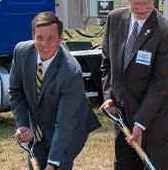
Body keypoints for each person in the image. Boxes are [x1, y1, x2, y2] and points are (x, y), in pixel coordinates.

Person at [100, 0, 168, 170]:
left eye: (147, 2)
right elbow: (106, 64)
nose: (142, 8)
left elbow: (161, 85)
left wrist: (140, 122)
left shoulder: (166, 31)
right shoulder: (114, 19)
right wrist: (109, 96)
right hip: (123, 118)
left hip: (154, 122)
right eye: (136, 4)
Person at [10, 12, 101, 170]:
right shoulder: (22, 52)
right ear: (33, 36)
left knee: (57, 165)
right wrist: (24, 125)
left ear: (60, 39)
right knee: (36, 163)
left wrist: (53, 164)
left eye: (51, 38)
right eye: (39, 38)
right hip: (40, 127)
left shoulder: (71, 72)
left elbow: (64, 124)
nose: (44, 44)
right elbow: (16, 92)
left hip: (69, 129)